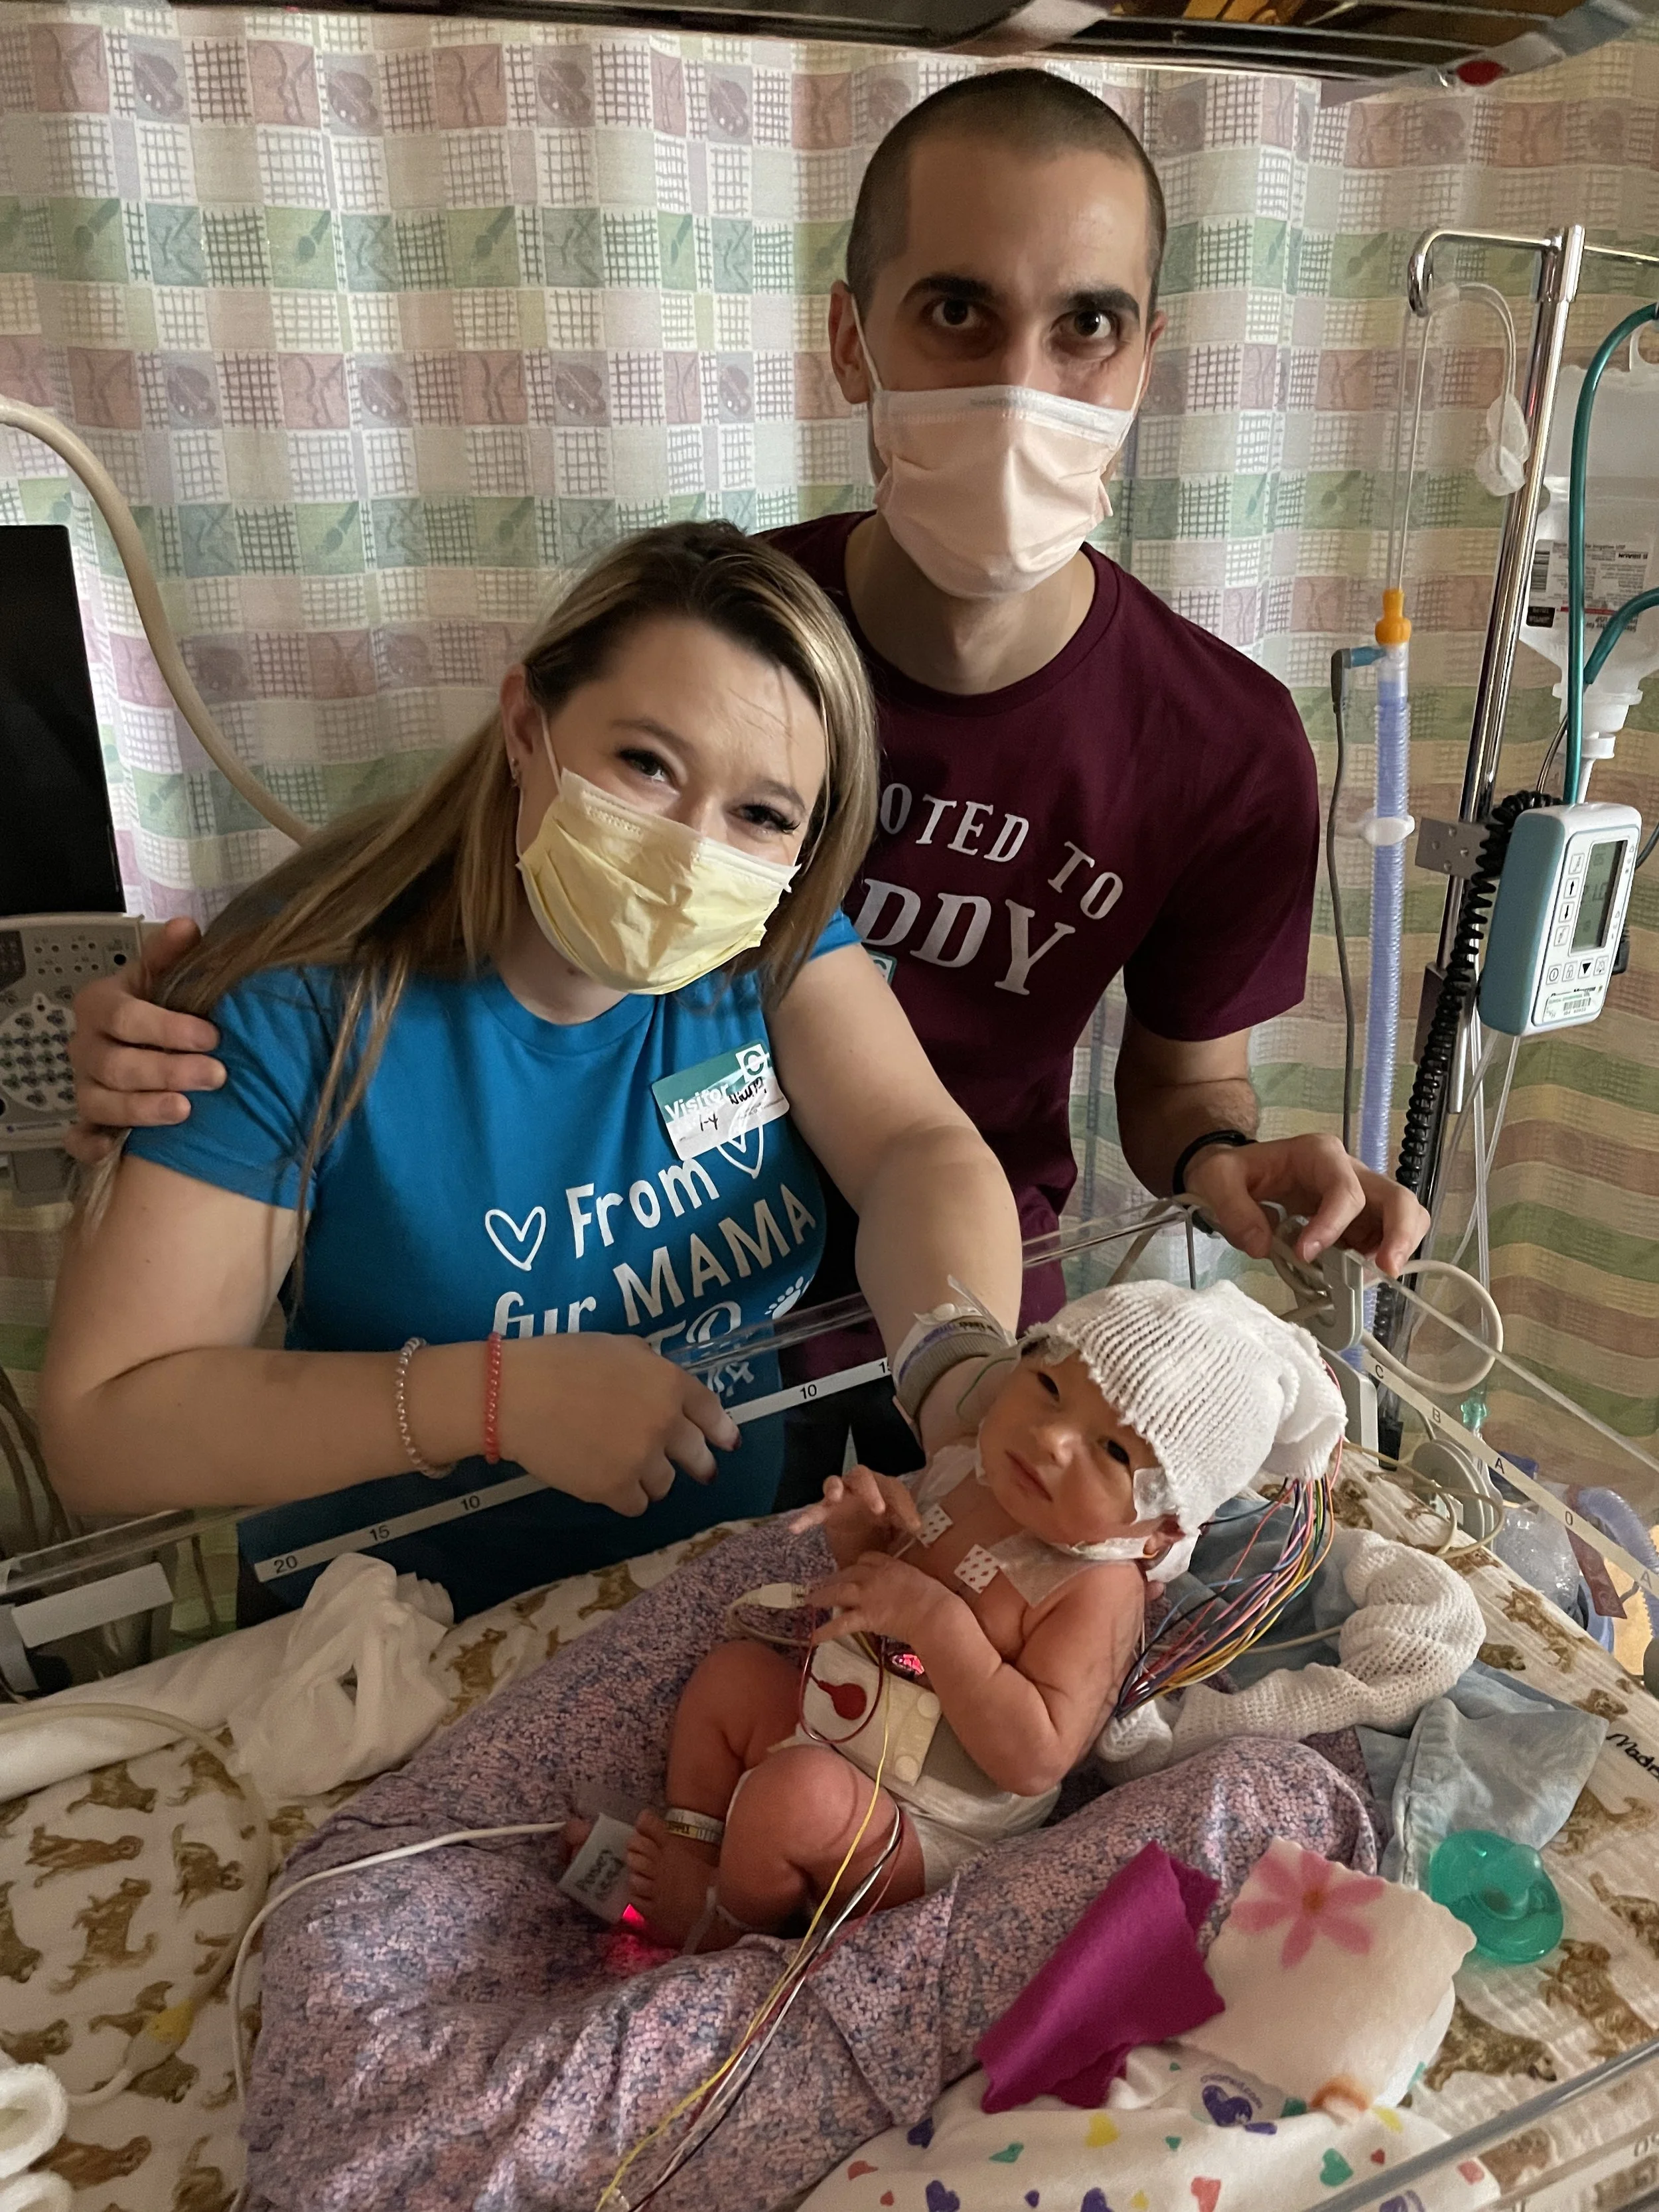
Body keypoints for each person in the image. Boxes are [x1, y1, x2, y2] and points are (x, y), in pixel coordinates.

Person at [63, 72, 1429, 1487]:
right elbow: (118, 1410)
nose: (1021, 384)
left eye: (1082, 324)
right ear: (851, 338)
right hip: (594, 1418)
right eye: (957, 311)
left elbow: (938, 1138)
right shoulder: (732, 633)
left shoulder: (1197, 751)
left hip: (912, 1326)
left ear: (1145, 354)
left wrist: (1049, 1293)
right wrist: (196, 1031)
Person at [40, 523, 1021, 1624]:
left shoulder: (764, 940)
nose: (693, 850)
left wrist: (963, 1367)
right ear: (526, 726)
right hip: (384, 1635)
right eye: (647, 764)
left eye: (760, 813)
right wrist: (492, 1396)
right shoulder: (303, 1004)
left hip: (694, 1597)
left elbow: (914, 1149)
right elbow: (103, 1426)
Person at [609, 1279, 1346, 1952]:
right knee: (731, 1678)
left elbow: (1035, 1760)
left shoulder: (1098, 1591)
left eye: (1114, 1450)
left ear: (1162, 1528)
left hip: (926, 1823)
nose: (1052, 1440)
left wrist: (941, 1625)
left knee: (794, 1797)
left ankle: (720, 1924)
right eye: (1050, 1385)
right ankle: (697, 1843)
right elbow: (878, 1589)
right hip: (833, 1721)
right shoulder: (967, 1470)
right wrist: (860, 1535)